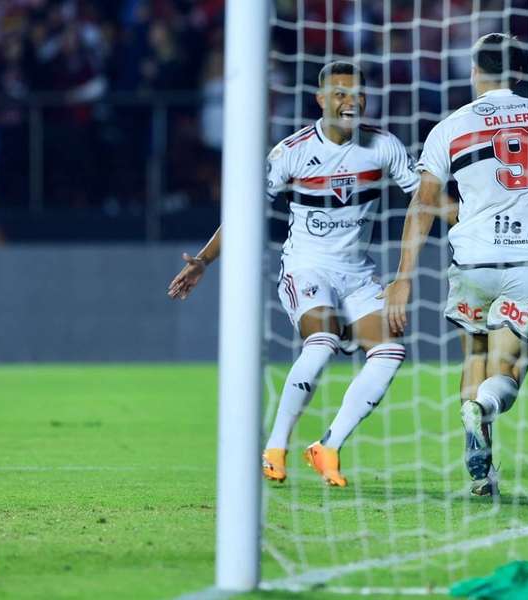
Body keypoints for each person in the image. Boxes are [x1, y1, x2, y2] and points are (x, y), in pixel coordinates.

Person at [168, 61, 419, 487]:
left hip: (358, 275)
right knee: (321, 343)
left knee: (390, 353)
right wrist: (205, 261)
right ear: (320, 100)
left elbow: (424, 198)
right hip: (307, 267)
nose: (350, 101)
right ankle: (275, 447)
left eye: (357, 93)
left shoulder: (383, 147)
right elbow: (245, 212)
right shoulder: (292, 152)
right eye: (339, 93)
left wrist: (472, 215)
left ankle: (328, 447)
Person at [384, 33, 528, 496]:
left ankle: (482, 474)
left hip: (472, 261)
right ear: (520, 73)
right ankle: (484, 409)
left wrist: (403, 278)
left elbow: (423, 203)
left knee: (476, 355)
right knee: (507, 367)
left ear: (475, 72)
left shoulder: (452, 125)